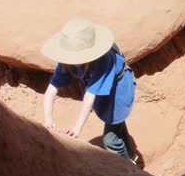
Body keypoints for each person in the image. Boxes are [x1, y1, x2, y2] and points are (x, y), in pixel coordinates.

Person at [41, 18, 138, 163]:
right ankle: (132, 156)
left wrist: (77, 128)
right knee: (117, 125)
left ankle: (127, 167)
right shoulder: (67, 61)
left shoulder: (103, 61)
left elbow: (90, 96)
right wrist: (48, 118)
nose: (72, 60)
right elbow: (51, 89)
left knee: (111, 139)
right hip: (105, 89)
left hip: (118, 91)